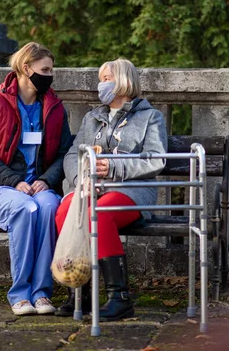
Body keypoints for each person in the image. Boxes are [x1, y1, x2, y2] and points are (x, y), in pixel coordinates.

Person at [0, 42, 72, 316]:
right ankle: (20, 294)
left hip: (39, 186)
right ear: (26, 68)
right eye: (44, 69)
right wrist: (14, 181)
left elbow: (64, 154)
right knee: (25, 208)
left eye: (51, 70)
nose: (49, 75)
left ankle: (42, 293)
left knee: (47, 207)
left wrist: (46, 179)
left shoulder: (55, 108)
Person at [54, 58, 168, 321]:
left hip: (132, 190)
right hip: (89, 187)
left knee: (101, 213)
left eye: (107, 78)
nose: (101, 84)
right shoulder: (92, 118)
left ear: (125, 81)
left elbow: (156, 159)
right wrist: (79, 178)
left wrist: (113, 168)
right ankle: (79, 291)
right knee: (64, 212)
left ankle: (120, 298)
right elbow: (72, 154)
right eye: (101, 79)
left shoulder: (151, 117)